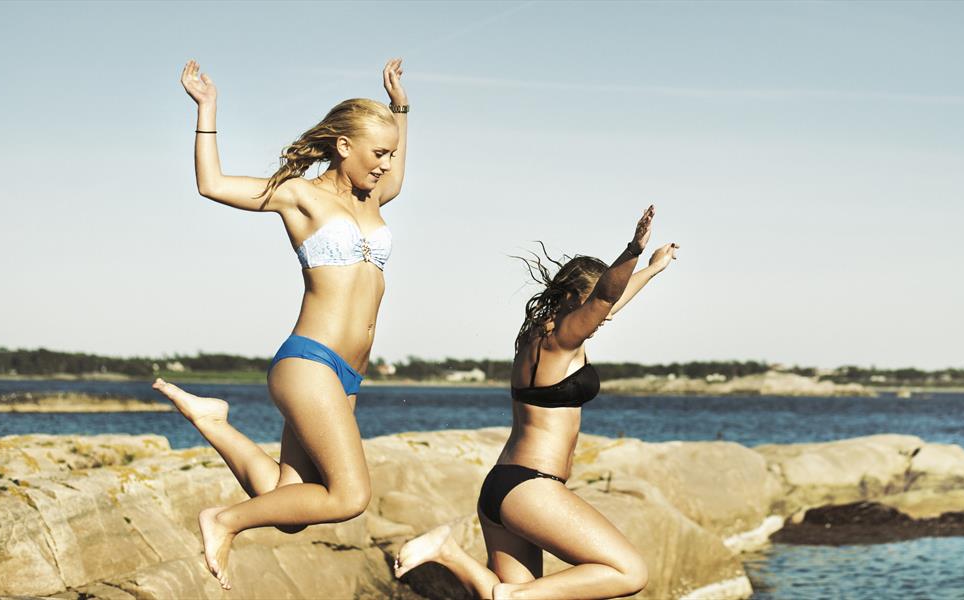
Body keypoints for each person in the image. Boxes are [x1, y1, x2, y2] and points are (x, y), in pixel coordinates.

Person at [152, 58, 410, 589]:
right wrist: (208, 108)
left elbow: (396, 167)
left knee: (291, 508)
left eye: (390, 153)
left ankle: (213, 422)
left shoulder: (375, 198)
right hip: (309, 361)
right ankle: (221, 519)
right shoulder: (300, 195)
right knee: (349, 496)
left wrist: (400, 108)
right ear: (344, 146)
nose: (386, 164)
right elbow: (212, 184)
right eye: (378, 153)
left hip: (347, 374)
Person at [392, 206, 679, 600]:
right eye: (594, 303)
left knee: (516, 592)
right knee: (628, 571)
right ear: (573, 298)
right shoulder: (560, 342)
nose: (603, 313)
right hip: (531, 489)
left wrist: (653, 268)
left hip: (504, 488)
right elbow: (609, 294)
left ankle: (448, 552)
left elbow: (611, 299)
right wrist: (632, 249)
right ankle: (509, 595)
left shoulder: (540, 338)